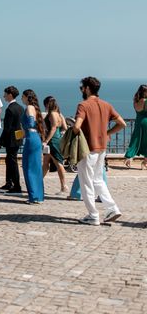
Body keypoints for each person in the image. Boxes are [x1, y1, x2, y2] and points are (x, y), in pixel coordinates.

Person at [73, 77, 125, 225]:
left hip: (87, 149)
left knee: (86, 182)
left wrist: (74, 131)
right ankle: (112, 208)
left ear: (88, 88)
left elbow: (77, 126)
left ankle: (93, 215)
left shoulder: (83, 105)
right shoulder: (106, 105)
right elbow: (122, 123)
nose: (81, 90)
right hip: (102, 147)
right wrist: (108, 133)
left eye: (82, 88)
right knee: (98, 179)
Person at [0, 86, 24, 193]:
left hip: (11, 139)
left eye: (5, 94)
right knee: (10, 160)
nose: (4, 96)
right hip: (18, 137)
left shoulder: (10, 109)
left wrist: (0, 142)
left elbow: (7, 128)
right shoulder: (20, 108)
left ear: (10, 95)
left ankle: (16, 185)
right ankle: (9, 182)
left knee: (12, 162)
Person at [21, 89, 45, 204]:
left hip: (30, 138)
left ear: (26, 97)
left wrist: (24, 129)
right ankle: (38, 195)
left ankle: (33, 196)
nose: (22, 98)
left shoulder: (30, 107)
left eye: (23, 96)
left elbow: (30, 122)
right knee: (36, 167)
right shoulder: (36, 108)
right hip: (34, 138)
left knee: (28, 167)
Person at [41, 96, 68, 193]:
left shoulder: (52, 114)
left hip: (52, 141)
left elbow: (53, 128)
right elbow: (64, 127)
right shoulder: (59, 114)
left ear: (48, 104)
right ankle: (39, 182)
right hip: (57, 139)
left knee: (58, 163)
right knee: (45, 162)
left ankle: (64, 186)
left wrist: (46, 141)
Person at [124, 84, 147, 169]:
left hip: (138, 122)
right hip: (146, 122)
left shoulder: (135, 100)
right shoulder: (145, 101)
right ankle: (145, 162)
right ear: (144, 92)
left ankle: (129, 158)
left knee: (135, 140)